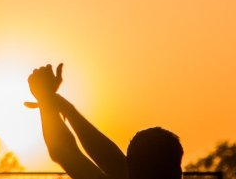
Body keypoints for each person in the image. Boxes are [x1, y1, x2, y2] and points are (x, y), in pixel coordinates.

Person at [25, 64, 183, 179]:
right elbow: (113, 161)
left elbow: (65, 153)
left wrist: (46, 99)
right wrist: (60, 104)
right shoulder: (154, 172)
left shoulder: (134, 173)